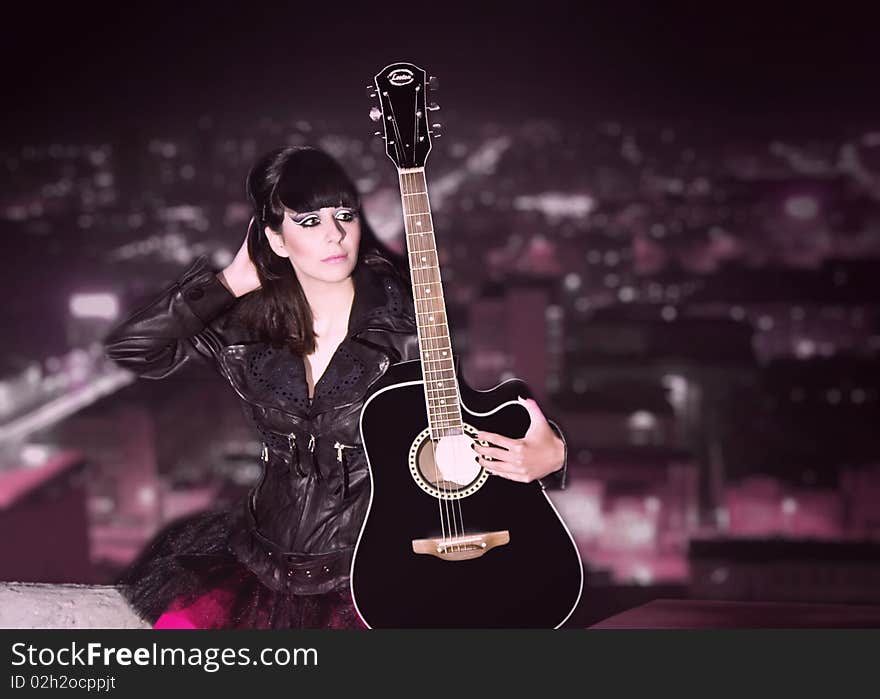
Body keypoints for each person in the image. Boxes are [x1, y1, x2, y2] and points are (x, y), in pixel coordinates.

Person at [104, 145, 568, 629]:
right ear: (276, 240)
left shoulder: (408, 326)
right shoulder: (242, 327)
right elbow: (133, 349)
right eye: (308, 221)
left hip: (372, 567)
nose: (335, 234)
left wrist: (551, 453)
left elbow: (473, 419)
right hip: (261, 563)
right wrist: (229, 281)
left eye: (344, 214)